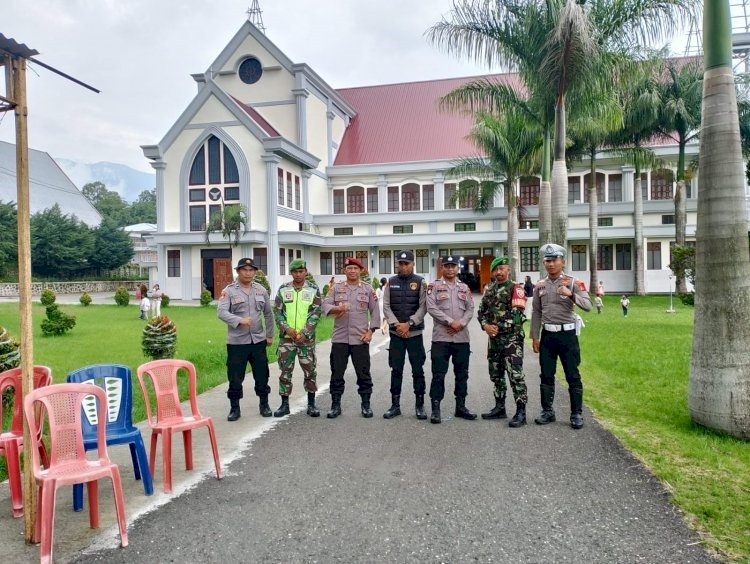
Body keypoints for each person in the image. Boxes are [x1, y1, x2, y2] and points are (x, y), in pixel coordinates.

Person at [531, 244, 592, 430]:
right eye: (547, 261)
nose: (550, 264)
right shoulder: (540, 286)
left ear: (562, 262)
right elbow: (536, 312)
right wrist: (535, 336)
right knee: (546, 375)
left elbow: (588, 305)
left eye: (554, 260)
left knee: (572, 375)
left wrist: (571, 295)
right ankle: (547, 411)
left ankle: (576, 413)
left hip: (567, 336)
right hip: (548, 336)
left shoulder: (573, 282)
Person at [322, 257, 380, 418]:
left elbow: (375, 311)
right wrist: (337, 308)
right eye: (349, 268)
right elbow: (325, 306)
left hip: (360, 338)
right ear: (344, 271)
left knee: (363, 373)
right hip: (340, 338)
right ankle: (335, 405)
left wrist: (371, 331)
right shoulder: (336, 288)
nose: (352, 271)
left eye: (355, 268)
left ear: (360, 271)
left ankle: (366, 404)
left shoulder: (368, 289)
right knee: (337, 373)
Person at [217, 257, 275, 421]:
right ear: (238, 271)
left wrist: (269, 335)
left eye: (251, 270)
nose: (248, 273)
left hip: (257, 341)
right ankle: (234, 408)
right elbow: (221, 312)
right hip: (237, 343)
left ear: (255, 272)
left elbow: (268, 314)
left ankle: (264, 404)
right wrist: (239, 320)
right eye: (245, 270)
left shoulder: (261, 290)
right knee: (235, 377)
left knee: (262, 375)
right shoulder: (228, 291)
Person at [477, 256, 528, 428]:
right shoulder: (489, 289)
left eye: (502, 269)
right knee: (496, 375)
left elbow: (518, 316)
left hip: (511, 340)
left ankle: (521, 411)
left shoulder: (516, 288)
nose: (499, 272)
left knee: (515, 375)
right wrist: (485, 326)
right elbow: (481, 311)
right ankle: (500, 407)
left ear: (508, 270)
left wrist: (496, 327)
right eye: (496, 270)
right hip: (494, 341)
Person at [426, 255, 476, 424]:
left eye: (453, 266)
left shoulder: (464, 287)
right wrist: (450, 322)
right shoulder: (434, 286)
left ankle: (461, 407)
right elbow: (431, 307)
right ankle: (435, 409)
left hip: (461, 338)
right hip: (441, 337)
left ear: (457, 268)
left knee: (462, 375)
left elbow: (470, 308)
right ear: (442, 268)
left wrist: (460, 323)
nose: (450, 269)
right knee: (438, 375)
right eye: (447, 266)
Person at [272, 259, 323, 418]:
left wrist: (304, 333)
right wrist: (288, 329)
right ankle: (284, 404)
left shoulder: (313, 289)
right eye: (295, 272)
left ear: (306, 271)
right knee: (285, 371)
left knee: (310, 371)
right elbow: (278, 312)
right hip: (287, 340)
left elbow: (316, 313)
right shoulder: (284, 289)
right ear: (291, 273)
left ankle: (311, 404)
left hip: (306, 340)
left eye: (301, 271)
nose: (298, 274)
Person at [382, 251, 428, 420]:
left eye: (406, 263)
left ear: (413, 264)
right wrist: (396, 325)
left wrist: (409, 324)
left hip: (414, 333)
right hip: (396, 334)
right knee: (396, 370)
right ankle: (395, 406)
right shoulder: (390, 282)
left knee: (418, 370)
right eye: (400, 263)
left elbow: (424, 307)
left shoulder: (420, 282)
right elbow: (386, 306)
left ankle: (420, 405)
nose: (403, 266)